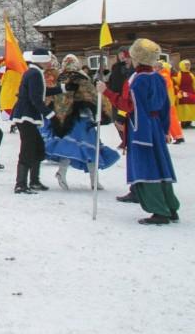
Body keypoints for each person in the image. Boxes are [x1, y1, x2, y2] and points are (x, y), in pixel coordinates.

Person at [122, 39, 180, 224]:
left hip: (142, 128)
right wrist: (164, 129)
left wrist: (106, 92)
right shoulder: (158, 77)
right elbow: (165, 107)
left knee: (147, 167)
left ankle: (159, 210)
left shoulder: (139, 81)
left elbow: (132, 107)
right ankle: (170, 207)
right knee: (160, 165)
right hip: (155, 126)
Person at [42, 55, 118, 190]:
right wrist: (103, 112)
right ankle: (93, 180)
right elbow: (93, 96)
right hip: (80, 119)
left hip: (70, 119)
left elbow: (54, 98)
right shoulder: (80, 78)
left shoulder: (62, 78)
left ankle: (63, 173)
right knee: (89, 148)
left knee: (70, 147)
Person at [11, 49, 60, 195]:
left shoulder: (34, 72)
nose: (51, 62)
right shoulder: (34, 74)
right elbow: (35, 98)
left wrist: (62, 88)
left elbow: (40, 93)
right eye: (49, 59)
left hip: (27, 116)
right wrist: (50, 114)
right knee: (28, 149)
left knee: (38, 148)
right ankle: (20, 184)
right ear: (42, 59)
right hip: (26, 116)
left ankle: (34, 181)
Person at [176, 59, 195, 128]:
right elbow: (176, 84)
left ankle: (189, 122)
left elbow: (194, 84)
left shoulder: (191, 74)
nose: (187, 66)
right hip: (182, 93)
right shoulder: (179, 74)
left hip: (191, 93)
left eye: (188, 65)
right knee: (184, 108)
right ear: (182, 65)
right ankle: (183, 123)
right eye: (186, 65)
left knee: (191, 108)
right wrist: (178, 92)